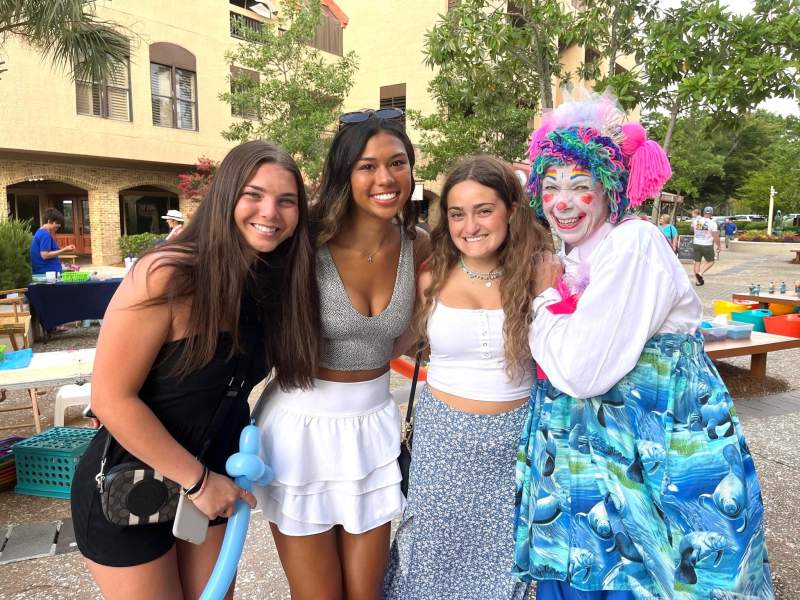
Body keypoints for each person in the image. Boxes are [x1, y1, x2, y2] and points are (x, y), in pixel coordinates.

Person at [514, 94, 772, 599]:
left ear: (609, 191)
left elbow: (583, 372)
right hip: (589, 469)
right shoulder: (569, 256)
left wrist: (542, 298)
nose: (562, 201)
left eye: (580, 186)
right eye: (550, 187)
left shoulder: (634, 245)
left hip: (655, 456)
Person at [70, 141, 319, 599]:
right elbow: (110, 398)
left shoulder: (267, 284)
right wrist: (198, 481)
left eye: (287, 201)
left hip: (216, 479)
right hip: (134, 485)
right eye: (255, 194)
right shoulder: (166, 273)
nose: (272, 211)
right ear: (226, 196)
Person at [252, 109, 429, 599]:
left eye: (397, 163)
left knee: (367, 594)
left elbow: (415, 329)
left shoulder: (421, 246)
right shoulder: (304, 241)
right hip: (300, 431)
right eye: (367, 166)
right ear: (344, 173)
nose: (385, 178)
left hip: (372, 426)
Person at [383, 155, 550, 599]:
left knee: (508, 559)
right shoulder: (431, 276)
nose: (470, 225)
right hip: (443, 443)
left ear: (510, 212)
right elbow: (392, 344)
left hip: (517, 442)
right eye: (457, 213)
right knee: (432, 552)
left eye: (483, 210)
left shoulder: (540, 273)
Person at [30, 207, 76, 275]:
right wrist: (64, 250)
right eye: (57, 223)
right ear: (49, 221)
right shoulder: (44, 235)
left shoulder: (41, 232)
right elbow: (45, 255)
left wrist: (65, 248)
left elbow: (49, 250)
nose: (59, 225)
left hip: (47, 272)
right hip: (47, 273)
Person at [692, 206, 720, 286]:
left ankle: (698, 281)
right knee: (711, 261)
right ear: (711, 214)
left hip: (696, 243)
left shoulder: (696, 221)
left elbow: (692, 229)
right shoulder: (712, 223)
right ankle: (700, 273)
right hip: (707, 244)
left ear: (703, 212)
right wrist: (718, 245)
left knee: (697, 262)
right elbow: (715, 236)